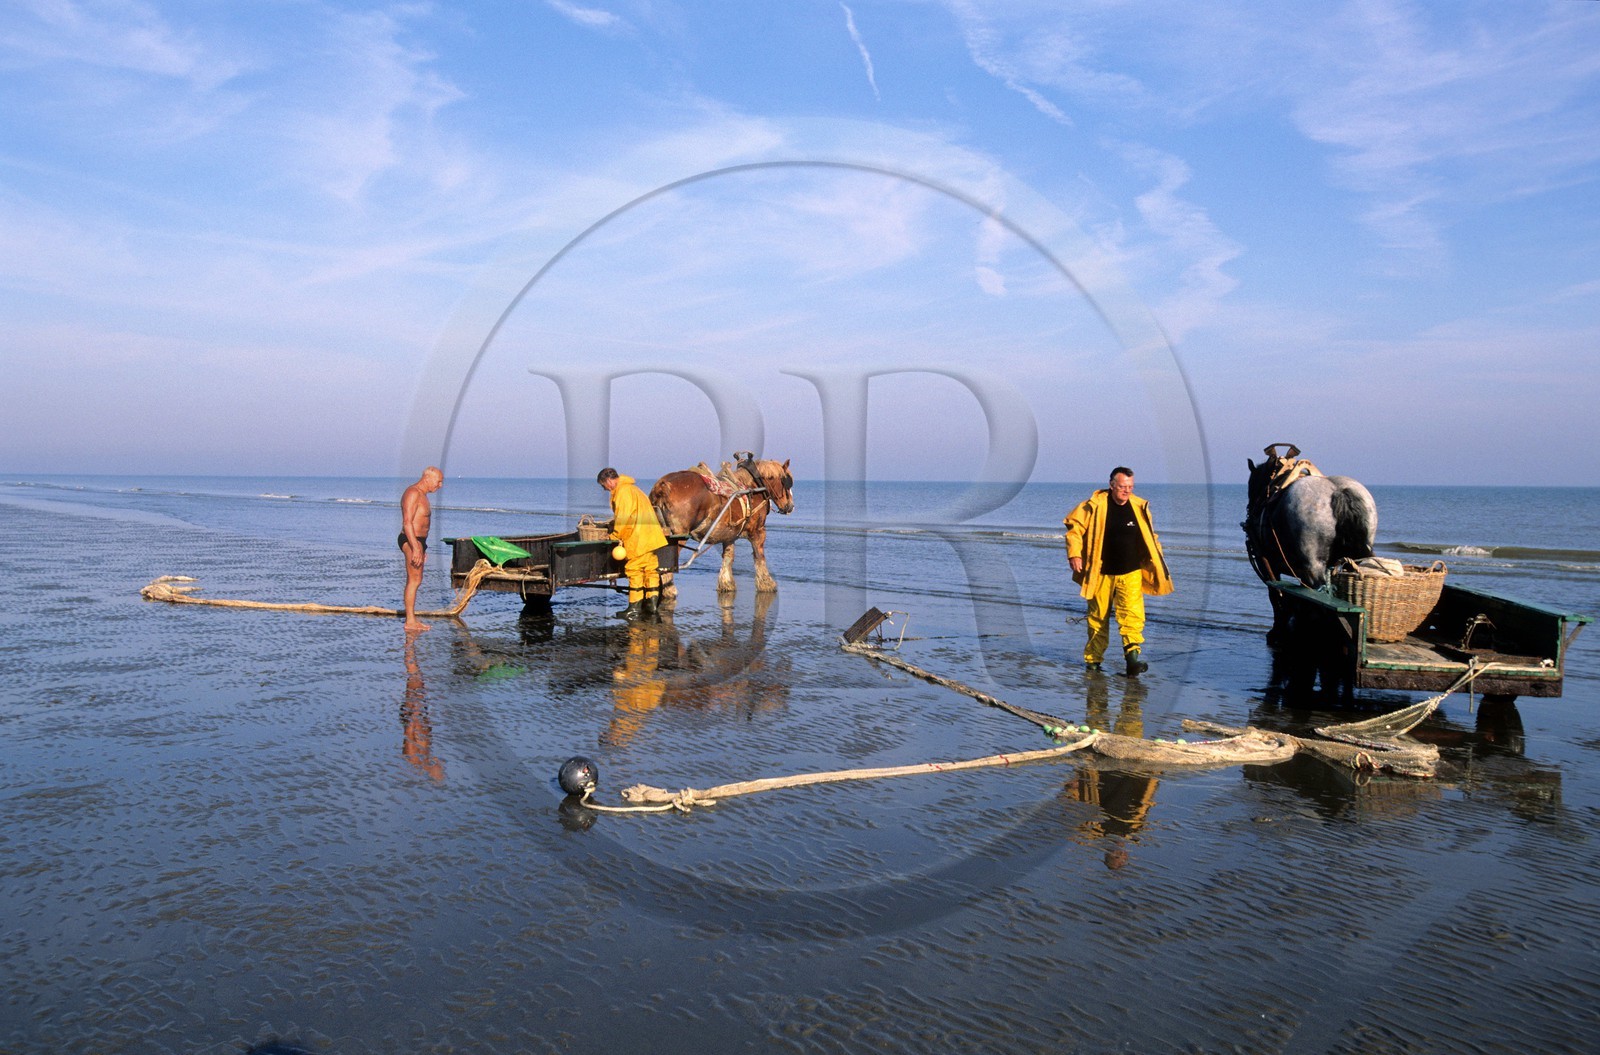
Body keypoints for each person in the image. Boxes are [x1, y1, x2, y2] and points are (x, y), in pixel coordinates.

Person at [1064, 466, 1173, 674]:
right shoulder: (1094, 506)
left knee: (1133, 615)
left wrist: (1158, 559)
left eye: (1130, 487)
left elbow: (1151, 536)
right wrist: (1074, 554)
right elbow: (1074, 530)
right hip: (1101, 572)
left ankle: (1132, 661)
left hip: (1131, 572)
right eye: (1123, 487)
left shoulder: (1139, 506)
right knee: (1098, 619)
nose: (1127, 491)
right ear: (1112, 485)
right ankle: (1093, 663)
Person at [597, 467, 668, 621]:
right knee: (650, 570)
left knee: (634, 571)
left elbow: (624, 518)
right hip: (650, 536)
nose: (605, 489)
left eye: (604, 486)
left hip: (638, 539)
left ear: (608, 481)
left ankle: (634, 609)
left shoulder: (623, 492)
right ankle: (652, 606)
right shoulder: (634, 490)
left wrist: (615, 535)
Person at [399, 466, 443, 631]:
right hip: (411, 540)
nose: (439, 485)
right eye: (438, 481)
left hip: (418, 541)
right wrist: (415, 547)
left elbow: (422, 524)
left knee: (417, 579)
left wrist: (422, 547)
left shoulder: (423, 496)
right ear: (428, 478)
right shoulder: (413, 493)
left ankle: (411, 619)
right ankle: (410, 621)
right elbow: (407, 522)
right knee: (414, 579)